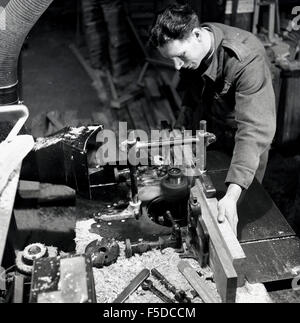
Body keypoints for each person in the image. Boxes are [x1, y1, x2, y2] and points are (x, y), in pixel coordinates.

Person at [149, 3, 276, 235]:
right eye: (171, 60)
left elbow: (254, 131)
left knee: (235, 214)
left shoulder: (246, 59)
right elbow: (191, 97)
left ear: (197, 35)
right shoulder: (193, 50)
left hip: (245, 141)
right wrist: (178, 134)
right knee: (201, 200)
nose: (177, 66)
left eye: (180, 57)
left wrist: (233, 193)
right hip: (212, 129)